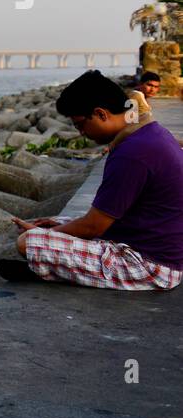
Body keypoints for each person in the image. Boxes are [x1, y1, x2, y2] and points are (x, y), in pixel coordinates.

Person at [12, 70, 183, 291]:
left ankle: (49, 268)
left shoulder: (132, 153)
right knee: (56, 221)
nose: (82, 133)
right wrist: (57, 228)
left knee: (28, 242)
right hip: (152, 245)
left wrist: (43, 236)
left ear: (101, 114)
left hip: (150, 266)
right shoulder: (148, 133)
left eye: (81, 124)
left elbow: (93, 226)